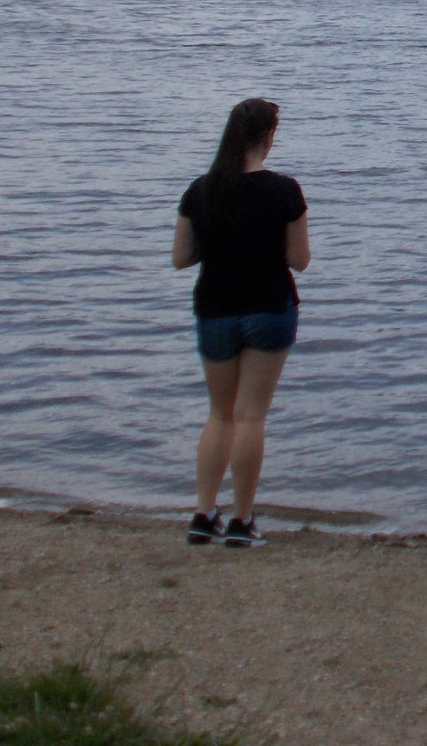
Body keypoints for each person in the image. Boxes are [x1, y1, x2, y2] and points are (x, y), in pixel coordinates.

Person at [172, 96, 311, 548]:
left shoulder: (200, 190)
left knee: (219, 414)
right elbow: (300, 260)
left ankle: (203, 511)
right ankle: (243, 520)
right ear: (269, 137)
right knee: (251, 417)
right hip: (269, 308)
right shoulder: (285, 190)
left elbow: (181, 258)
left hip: (214, 309)